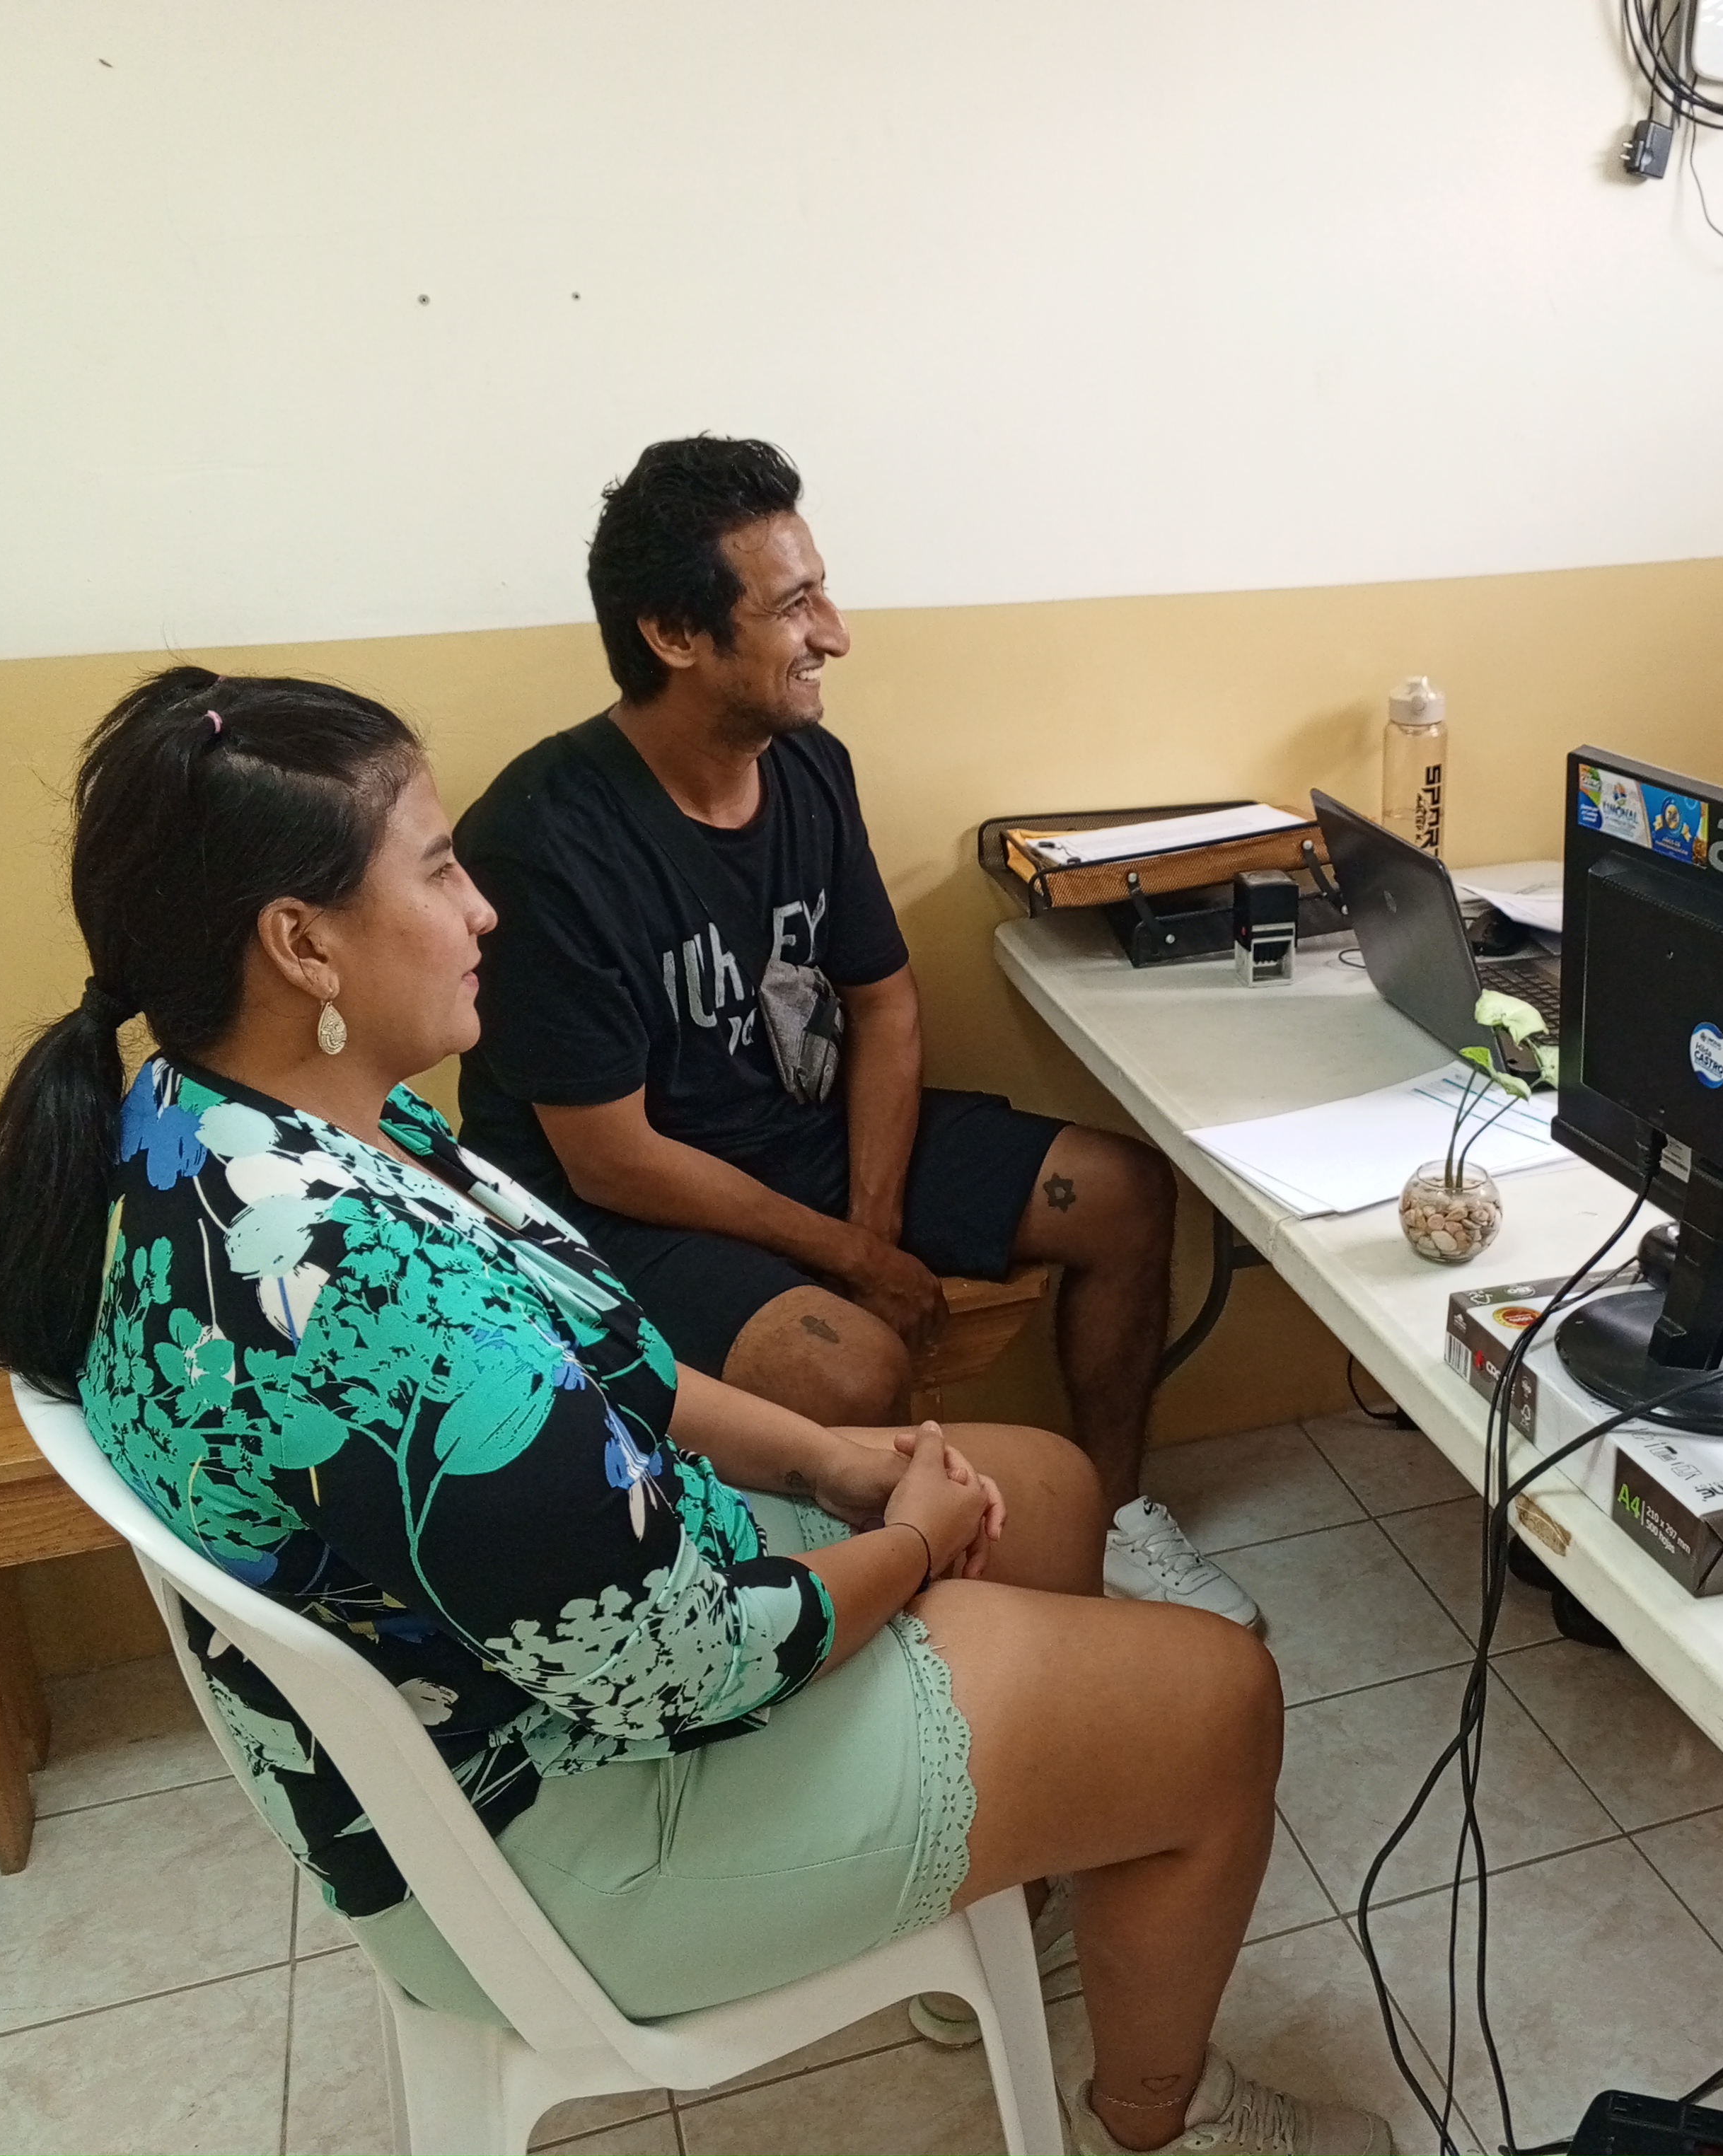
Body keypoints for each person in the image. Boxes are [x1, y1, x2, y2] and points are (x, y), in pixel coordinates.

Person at [0, 670, 1388, 2156]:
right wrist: (906, 1546)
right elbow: (688, 1667)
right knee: (1220, 1697)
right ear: (301, 943)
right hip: (557, 1838)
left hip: (519, 1677)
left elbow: (593, 1350)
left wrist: (831, 1459)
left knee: (1049, 1483)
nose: (483, 908)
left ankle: (1040, 1860)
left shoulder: (228, 1123)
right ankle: (1162, 2125)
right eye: (437, 870)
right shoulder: (373, 1302)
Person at [452, 436, 1254, 1628]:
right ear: (674, 634)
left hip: (799, 1142)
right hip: (626, 1210)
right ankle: (902, 1613)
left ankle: (1115, 1514)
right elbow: (610, 1159)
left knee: (1126, 1192)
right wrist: (851, 1261)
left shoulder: (809, 767)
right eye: (793, 605)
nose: (834, 633)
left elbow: (883, 1000)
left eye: (820, 592)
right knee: (850, 1364)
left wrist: (870, 1229)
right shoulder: (542, 839)